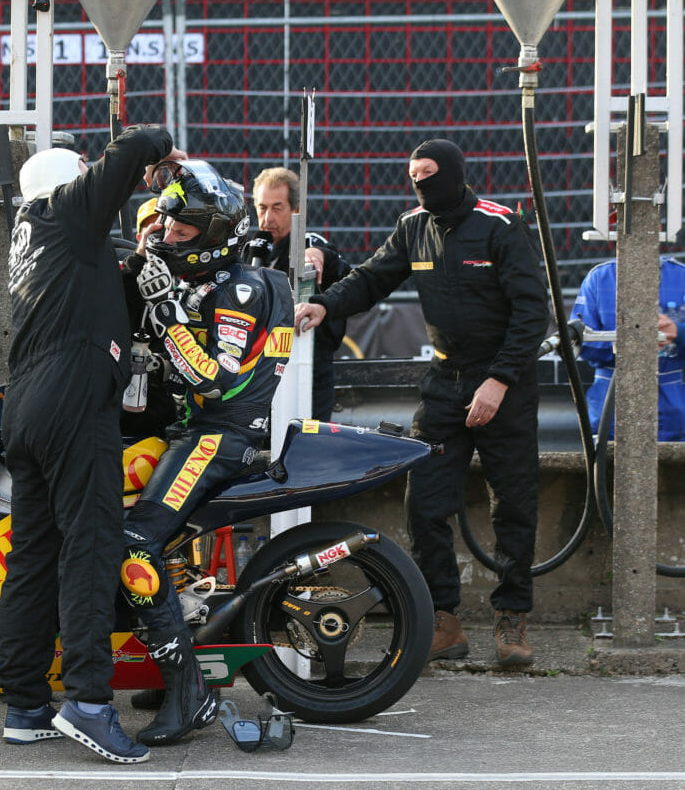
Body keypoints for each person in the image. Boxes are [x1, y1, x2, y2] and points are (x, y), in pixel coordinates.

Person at [294, 139, 549, 667]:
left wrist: (499, 381)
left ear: (453, 173)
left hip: (505, 384)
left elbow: (532, 311)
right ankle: (443, 622)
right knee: (424, 503)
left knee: (515, 505)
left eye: (429, 175)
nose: (420, 185)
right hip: (445, 381)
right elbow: (371, 278)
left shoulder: (500, 225)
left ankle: (512, 618)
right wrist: (322, 304)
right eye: (413, 177)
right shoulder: (413, 225)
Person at [0, 125, 183, 765]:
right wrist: (159, 146)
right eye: (82, 172)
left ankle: (25, 706)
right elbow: (128, 152)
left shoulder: (37, 238)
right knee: (92, 549)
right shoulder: (61, 209)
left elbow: (102, 292)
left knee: (33, 558)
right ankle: (89, 704)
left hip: (27, 404)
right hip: (75, 402)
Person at [118, 160, 294, 744]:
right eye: (165, 226)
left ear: (214, 232)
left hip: (220, 433)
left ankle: (189, 691)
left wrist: (166, 313)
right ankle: (157, 667)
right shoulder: (201, 279)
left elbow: (213, 379)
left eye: (181, 229)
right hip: (192, 432)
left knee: (135, 542)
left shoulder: (239, 286)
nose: (167, 236)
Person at [252, 167, 351, 421]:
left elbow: (339, 267)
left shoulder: (307, 242)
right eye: (262, 208)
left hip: (306, 368)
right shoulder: (252, 249)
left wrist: (320, 256)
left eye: (277, 208)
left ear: (295, 210)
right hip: (258, 369)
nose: (268, 218)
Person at [571, 256, 685, 441]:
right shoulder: (599, 277)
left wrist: (677, 332)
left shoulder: (681, 276)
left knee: (671, 465)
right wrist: (627, 343)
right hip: (609, 395)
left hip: (672, 399)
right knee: (606, 463)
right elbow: (579, 342)